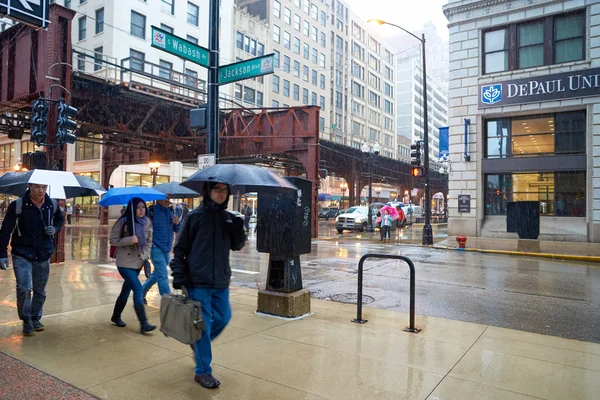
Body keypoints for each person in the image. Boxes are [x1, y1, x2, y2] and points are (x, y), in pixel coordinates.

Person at [171, 182, 246, 389]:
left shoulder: (228, 218)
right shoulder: (195, 217)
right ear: (208, 192)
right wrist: (179, 275)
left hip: (221, 281)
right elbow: (179, 249)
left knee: (223, 318)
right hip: (198, 282)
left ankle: (197, 344)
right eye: (217, 189)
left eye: (224, 190)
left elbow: (237, 245)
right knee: (203, 328)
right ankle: (203, 371)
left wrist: (238, 228)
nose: (221, 194)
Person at [0, 184, 64, 336]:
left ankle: (35, 317)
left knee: (40, 291)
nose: (41, 191)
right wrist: (2, 253)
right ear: (30, 187)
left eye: (44, 187)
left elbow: (60, 220)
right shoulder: (18, 205)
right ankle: (27, 319)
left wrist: (55, 228)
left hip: (43, 254)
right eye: (37, 187)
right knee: (24, 288)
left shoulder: (52, 204)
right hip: (22, 253)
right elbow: (5, 230)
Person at [109, 197, 155, 334]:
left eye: (143, 207)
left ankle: (115, 316)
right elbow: (113, 240)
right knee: (138, 289)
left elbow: (149, 241)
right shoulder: (123, 222)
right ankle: (144, 323)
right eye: (138, 207)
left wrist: (145, 255)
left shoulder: (147, 222)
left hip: (138, 261)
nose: (141, 210)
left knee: (125, 291)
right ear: (132, 209)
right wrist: (130, 240)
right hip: (124, 261)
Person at [142, 199, 180, 304]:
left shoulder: (170, 211)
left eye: (169, 197)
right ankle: (168, 301)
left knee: (157, 274)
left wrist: (177, 223)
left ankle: (141, 292)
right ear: (159, 199)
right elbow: (144, 228)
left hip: (166, 248)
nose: (168, 200)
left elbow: (177, 229)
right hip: (155, 247)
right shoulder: (152, 211)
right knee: (162, 274)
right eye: (166, 198)